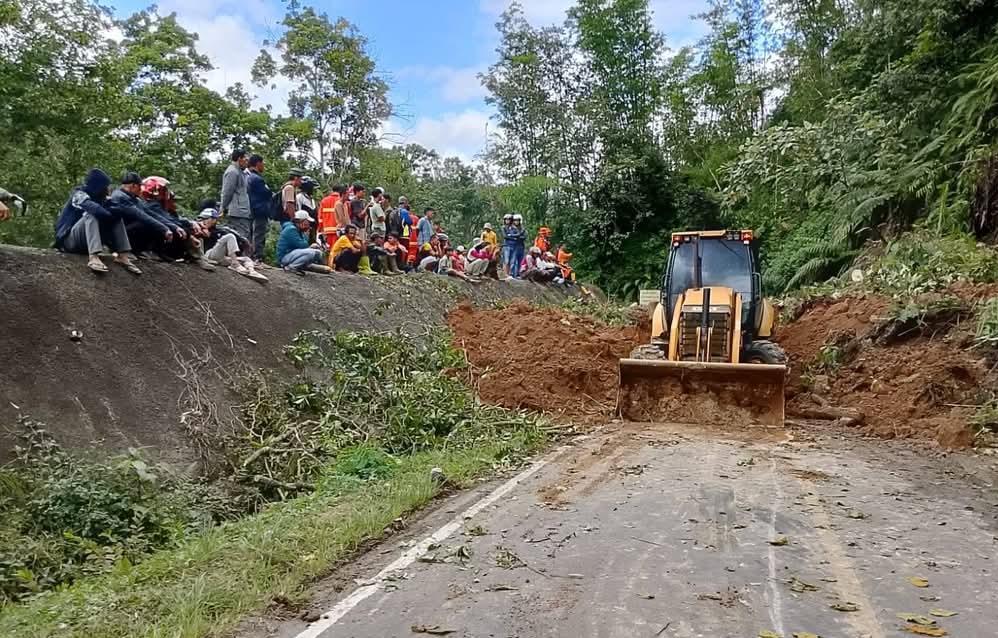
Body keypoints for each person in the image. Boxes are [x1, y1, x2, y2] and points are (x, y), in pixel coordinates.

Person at [54, 168, 142, 274]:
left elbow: (118, 209)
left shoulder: (102, 198)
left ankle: (122, 256)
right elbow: (94, 208)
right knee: (92, 214)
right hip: (69, 241)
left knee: (116, 218)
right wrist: (109, 214)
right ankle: (93, 258)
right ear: (98, 186)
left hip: (85, 243)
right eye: (105, 187)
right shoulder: (79, 195)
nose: (107, 190)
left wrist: (113, 213)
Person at [196, 208, 268, 281]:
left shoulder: (219, 230)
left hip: (220, 257)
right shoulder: (197, 228)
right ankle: (235, 264)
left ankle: (252, 271)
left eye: (206, 218)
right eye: (202, 219)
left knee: (246, 259)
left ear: (214, 220)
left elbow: (233, 236)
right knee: (230, 236)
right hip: (207, 255)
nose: (203, 221)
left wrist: (243, 240)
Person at [220, 149, 252, 241]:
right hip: (238, 212)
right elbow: (227, 192)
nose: (247, 162)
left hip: (243, 211)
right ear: (239, 159)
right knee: (242, 238)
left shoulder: (241, 172)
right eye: (245, 159)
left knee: (244, 237)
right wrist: (222, 208)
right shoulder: (232, 172)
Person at [245, 154, 272, 261]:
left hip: (252, 209)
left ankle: (251, 255)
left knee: (253, 233)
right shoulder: (256, 179)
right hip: (259, 210)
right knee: (259, 235)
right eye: (262, 163)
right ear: (258, 163)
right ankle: (257, 257)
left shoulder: (249, 177)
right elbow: (267, 193)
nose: (263, 166)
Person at [318, 184, 343, 248]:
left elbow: (320, 217)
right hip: (339, 230)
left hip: (327, 230)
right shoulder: (341, 200)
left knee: (329, 249)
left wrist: (320, 229)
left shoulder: (324, 200)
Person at [504, 213, 527, 278]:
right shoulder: (511, 228)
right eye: (515, 220)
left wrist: (514, 236)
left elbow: (523, 237)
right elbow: (507, 236)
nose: (516, 222)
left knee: (520, 261)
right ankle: (512, 274)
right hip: (514, 246)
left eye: (517, 220)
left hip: (521, 246)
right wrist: (515, 237)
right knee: (512, 261)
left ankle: (517, 274)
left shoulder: (522, 228)